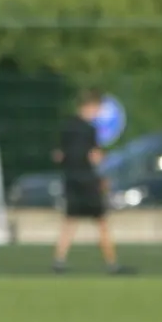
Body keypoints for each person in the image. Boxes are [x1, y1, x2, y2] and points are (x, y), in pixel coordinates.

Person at [52, 91, 129, 274]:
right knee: (101, 221)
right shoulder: (90, 130)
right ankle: (111, 263)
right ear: (90, 107)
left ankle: (59, 260)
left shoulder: (66, 127)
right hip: (87, 180)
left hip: (71, 179)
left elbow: (58, 155)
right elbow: (94, 157)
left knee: (70, 220)